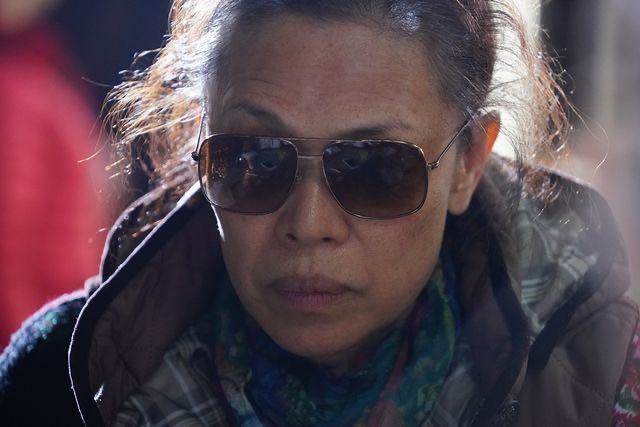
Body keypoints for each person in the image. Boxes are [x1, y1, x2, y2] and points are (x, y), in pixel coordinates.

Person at [1, 0, 638, 425]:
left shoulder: (602, 380)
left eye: (376, 169)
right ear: (201, 146)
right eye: (254, 159)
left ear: (469, 162)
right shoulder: (59, 383)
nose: (308, 224)